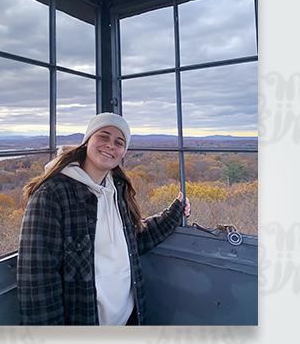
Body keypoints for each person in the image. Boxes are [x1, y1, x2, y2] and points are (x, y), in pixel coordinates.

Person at [17, 112, 191, 325]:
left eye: (119, 142)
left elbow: (133, 242)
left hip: (128, 320)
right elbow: (37, 281)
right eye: (103, 136)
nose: (111, 145)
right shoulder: (52, 195)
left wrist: (174, 213)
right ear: (87, 140)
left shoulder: (117, 189)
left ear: (124, 152)